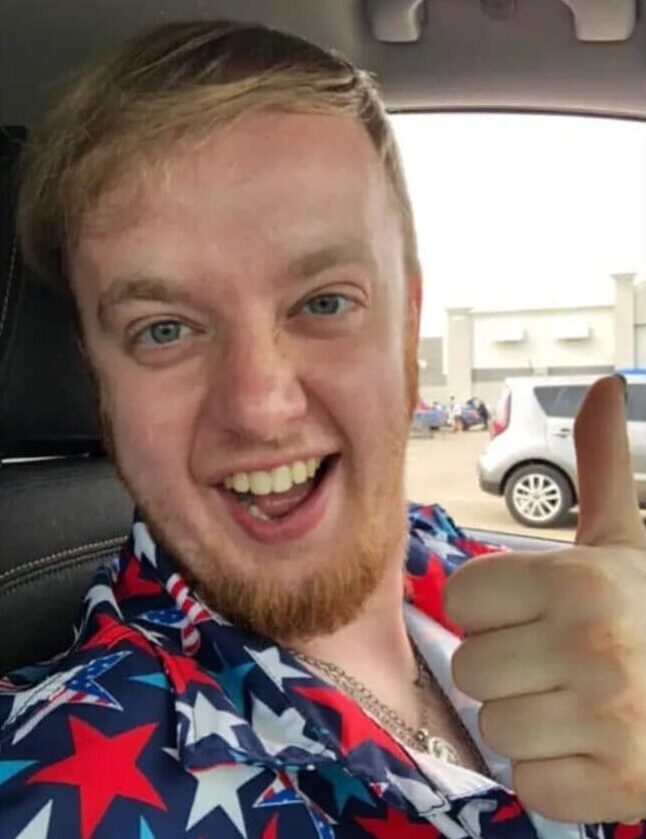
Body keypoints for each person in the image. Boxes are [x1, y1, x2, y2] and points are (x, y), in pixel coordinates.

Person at [1, 20, 645, 839]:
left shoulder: (484, 574)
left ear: (407, 327)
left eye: (325, 303)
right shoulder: (55, 783)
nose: (260, 406)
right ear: (99, 379)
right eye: (163, 329)